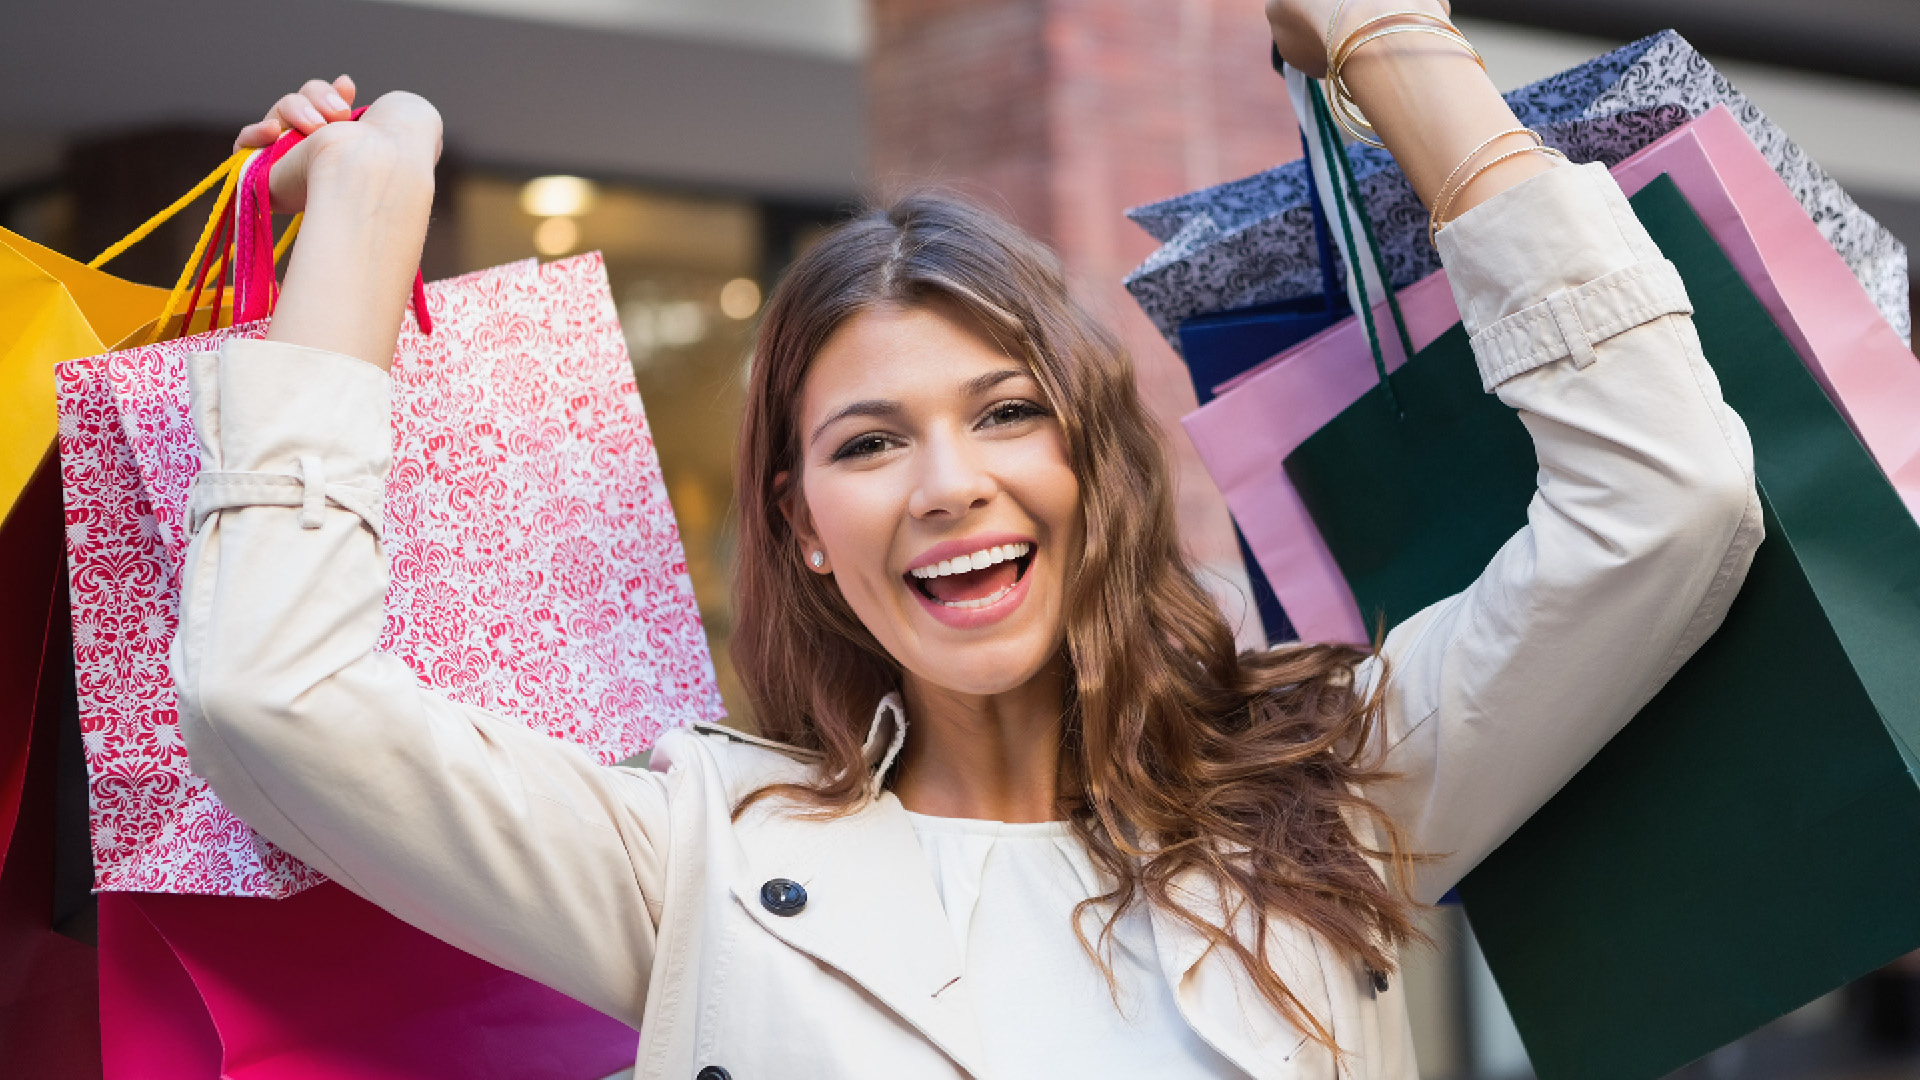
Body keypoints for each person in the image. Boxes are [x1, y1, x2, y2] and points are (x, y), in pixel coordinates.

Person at [172, 0, 1762, 1076]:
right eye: (869, 445)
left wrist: (1386, 39)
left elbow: (1667, 507)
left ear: (1094, 459)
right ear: (800, 529)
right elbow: (270, 701)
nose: (947, 483)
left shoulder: (1324, 795)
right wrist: (369, 221)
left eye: (1007, 415)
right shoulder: (690, 857)